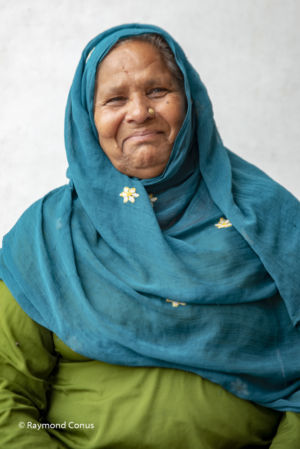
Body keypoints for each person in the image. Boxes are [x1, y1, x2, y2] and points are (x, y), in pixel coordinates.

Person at [0, 23, 299, 448]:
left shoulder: (269, 221)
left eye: (157, 91)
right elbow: (5, 392)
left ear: (189, 101)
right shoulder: (49, 236)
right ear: (89, 118)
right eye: (115, 99)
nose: (139, 112)